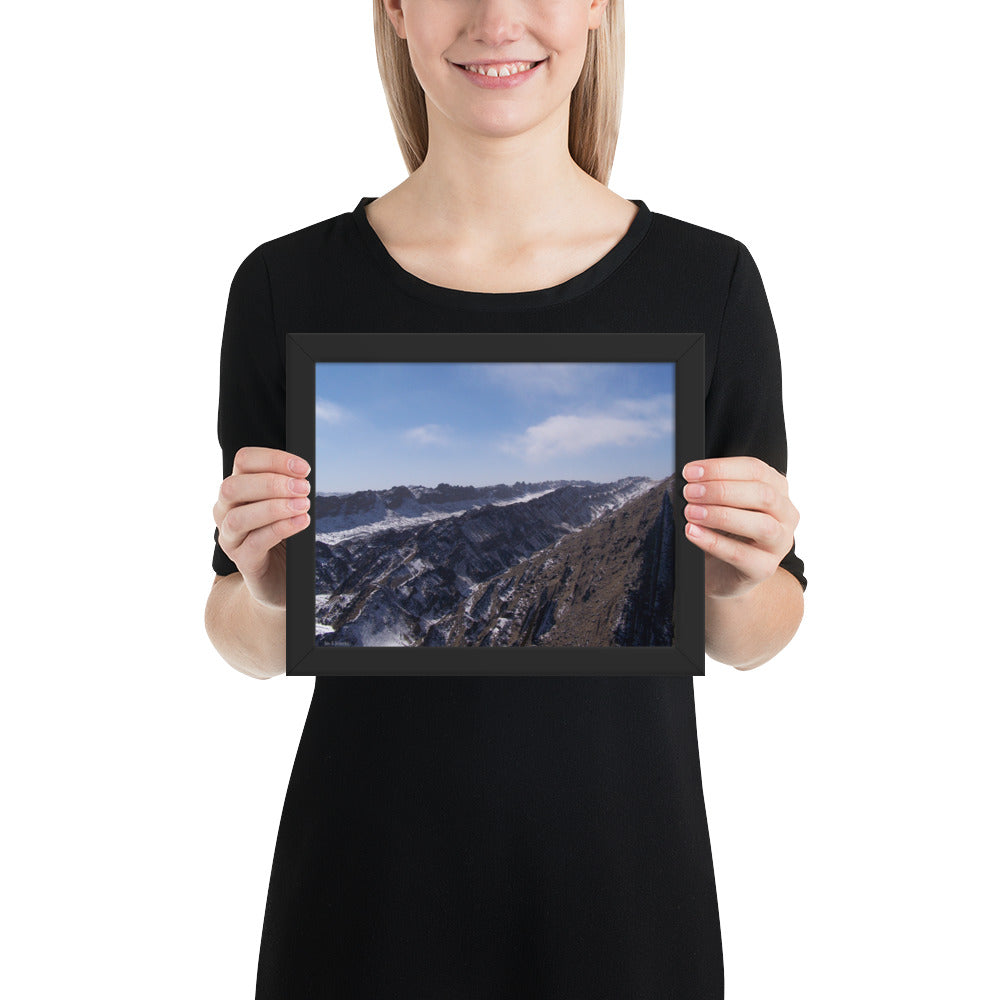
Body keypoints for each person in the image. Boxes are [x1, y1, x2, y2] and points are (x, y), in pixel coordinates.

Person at [205, 0, 807, 996]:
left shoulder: (710, 283)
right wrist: (267, 584)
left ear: (599, 9)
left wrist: (744, 572)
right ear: (395, 9)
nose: (496, 17)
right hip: (365, 899)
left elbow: (757, 632)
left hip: (622, 897)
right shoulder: (284, 285)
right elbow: (236, 633)